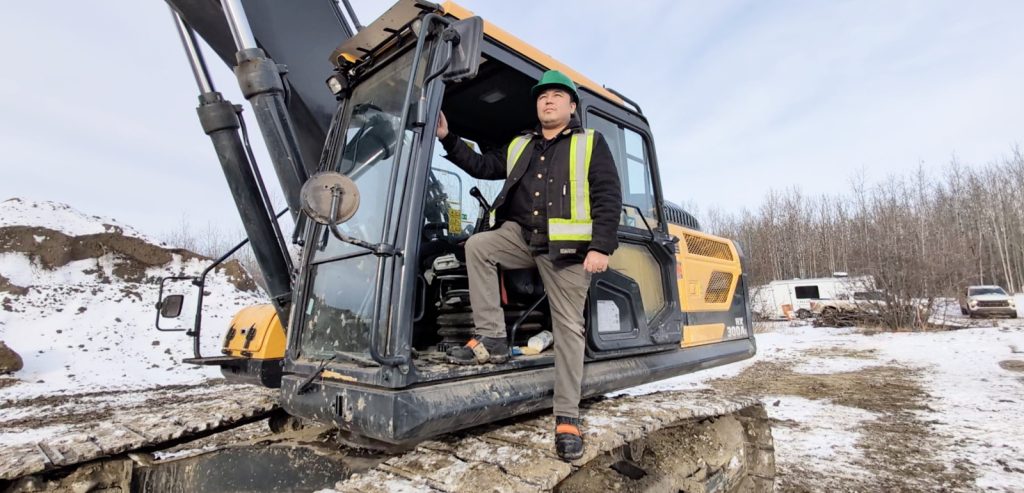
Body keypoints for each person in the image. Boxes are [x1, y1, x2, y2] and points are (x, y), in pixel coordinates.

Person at [435, 70, 622, 461]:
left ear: (572, 106)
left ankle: (567, 416)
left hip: (569, 251)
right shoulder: (522, 144)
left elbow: (607, 195)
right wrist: (447, 138)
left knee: (569, 328)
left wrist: (601, 246)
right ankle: (493, 339)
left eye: (557, 95)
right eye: (542, 96)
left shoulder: (590, 143)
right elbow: (484, 166)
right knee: (479, 245)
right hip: (522, 237)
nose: (548, 101)